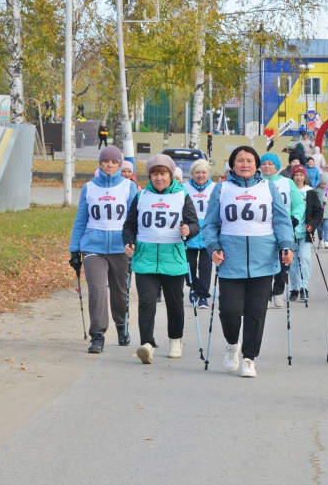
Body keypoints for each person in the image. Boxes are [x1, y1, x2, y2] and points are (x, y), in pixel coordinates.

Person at [203, 146, 295, 378]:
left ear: (256, 164)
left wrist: (286, 245)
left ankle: (249, 358)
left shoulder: (268, 187)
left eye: (250, 160)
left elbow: (283, 221)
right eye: (240, 160)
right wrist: (213, 247)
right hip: (230, 259)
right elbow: (211, 224)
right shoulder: (221, 188)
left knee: (256, 311)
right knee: (230, 310)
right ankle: (232, 344)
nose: (245, 164)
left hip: (263, 259)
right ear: (232, 164)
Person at [122, 154, 196, 364]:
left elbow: (194, 224)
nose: (159, 178)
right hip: (145, 259)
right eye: (154, 174)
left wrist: (187, 229)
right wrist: (129, 242)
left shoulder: (182, 195)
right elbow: (129, 225)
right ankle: (147, 343)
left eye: (163, 173)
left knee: (174, 303)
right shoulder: (142, 196)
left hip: (173, 258)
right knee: (146, 302)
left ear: (171, 175)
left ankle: (175, 340)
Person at [70, 145, 140, 353]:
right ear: (100, 163)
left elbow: (133, 219)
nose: (110, 165)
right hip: (93, 246)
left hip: (120, 247)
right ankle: (98, 335)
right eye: (106, 161)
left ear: (120, 164)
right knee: (98, 290)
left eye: (114, 162)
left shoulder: (129, 187)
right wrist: (74, 250)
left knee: (119, 292)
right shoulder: (89, 187)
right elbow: (81, 219)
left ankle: (121, 325)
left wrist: (132, 242)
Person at [261, 153, 304, 308]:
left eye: (270, 164)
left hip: (283, 228)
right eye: (264, 163)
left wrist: (295, 217)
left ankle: (278, 292)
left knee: (283, 262)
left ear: (277, 166)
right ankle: (264, 295)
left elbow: (299, 203)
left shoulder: (287, 182)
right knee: (264, 263)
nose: (267, 166)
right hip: (263, 228)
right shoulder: (256, 183)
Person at [185, 160, 217, 309]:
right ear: (192, 173)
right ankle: (193, 289)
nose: (201, 175)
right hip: (190, 230)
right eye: (197, 172)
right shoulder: (183, 188)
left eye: (204, 172)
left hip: (208, 231)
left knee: (205, 266)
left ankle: (203, 295)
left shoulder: (215, 187)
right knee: (189, 266)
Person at [289, 167, 316, 300]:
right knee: (292, 261)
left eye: (301, 175)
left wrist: (312, 225)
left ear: (305, 177)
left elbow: (318, 212)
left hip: (305, 232)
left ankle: (303, 287)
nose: (298, 177)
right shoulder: (288, 190)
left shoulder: (310, 192)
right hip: (291, 231)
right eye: (296, 175)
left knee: (304, 259)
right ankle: (294, 288)